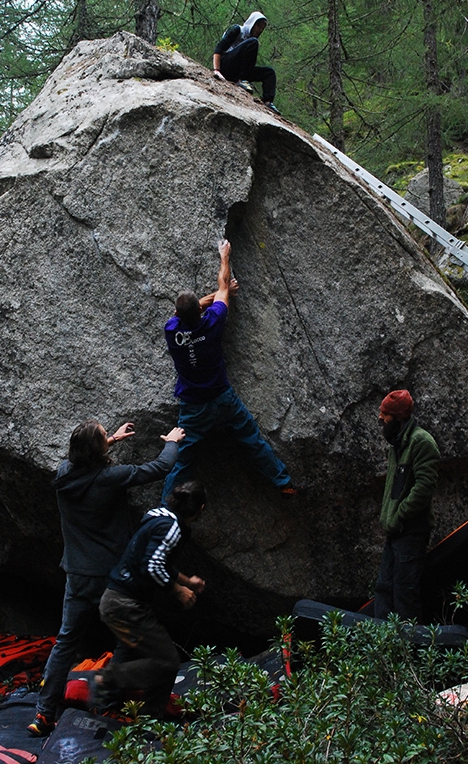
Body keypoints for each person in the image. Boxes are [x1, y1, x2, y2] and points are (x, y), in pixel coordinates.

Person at [28, 418, 185, 736]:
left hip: (78, 574)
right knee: (126, 636)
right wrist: (172, 441)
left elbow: (82, 458)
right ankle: (108, 700)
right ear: (96, 452)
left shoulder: (63, 475)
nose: (107, 436)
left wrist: (110, 439)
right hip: (113, 578)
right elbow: (158, 468)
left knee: (66, 641)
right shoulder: (110, 477)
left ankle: (44, 713)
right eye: (103, 436)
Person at [161, 238, 297, 501]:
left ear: (178, 313)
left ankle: (164, 507)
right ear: (200, 312)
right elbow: (223, 286)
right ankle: (283, 482)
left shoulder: (172, 330)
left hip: (193, 406)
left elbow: (192, 306)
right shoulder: (212, 322)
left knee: (182, 460)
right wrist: (225, 257)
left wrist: (215, 295)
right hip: (222, 397)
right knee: (251, 440)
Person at [97, 481, 207, 718]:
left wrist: (188, 581)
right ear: (201, 509)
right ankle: (143, 716)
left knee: (127, 649)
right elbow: (152, 565)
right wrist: (178, 591)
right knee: (166, 662)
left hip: (114, 599)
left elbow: (156, 559)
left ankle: (107, 706)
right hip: (126, 604)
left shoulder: (159, 518)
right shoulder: (172, 527)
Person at [373, 390, 440, 623]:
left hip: (411, 532)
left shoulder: (421, 442)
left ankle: (410, 652)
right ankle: (383, 647)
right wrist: (390, 520)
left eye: (385, 414)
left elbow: (425, 486)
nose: (380, 419)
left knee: (405, 593)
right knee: (384, 588)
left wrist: (400, 515)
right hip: (395, 532)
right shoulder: (397, 444)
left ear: (399, 417)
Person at [212, 11, 279, 113]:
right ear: (252, 23)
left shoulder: (250, 40)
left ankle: (268, 102)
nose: (260, 30)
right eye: (258, 26)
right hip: (226, 65)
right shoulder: (237, 30)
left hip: (239, 71)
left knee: (269, 72)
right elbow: (218, 49)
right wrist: (216, 70)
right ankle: (241, 81)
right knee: (253, 42)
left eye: (262, 28)